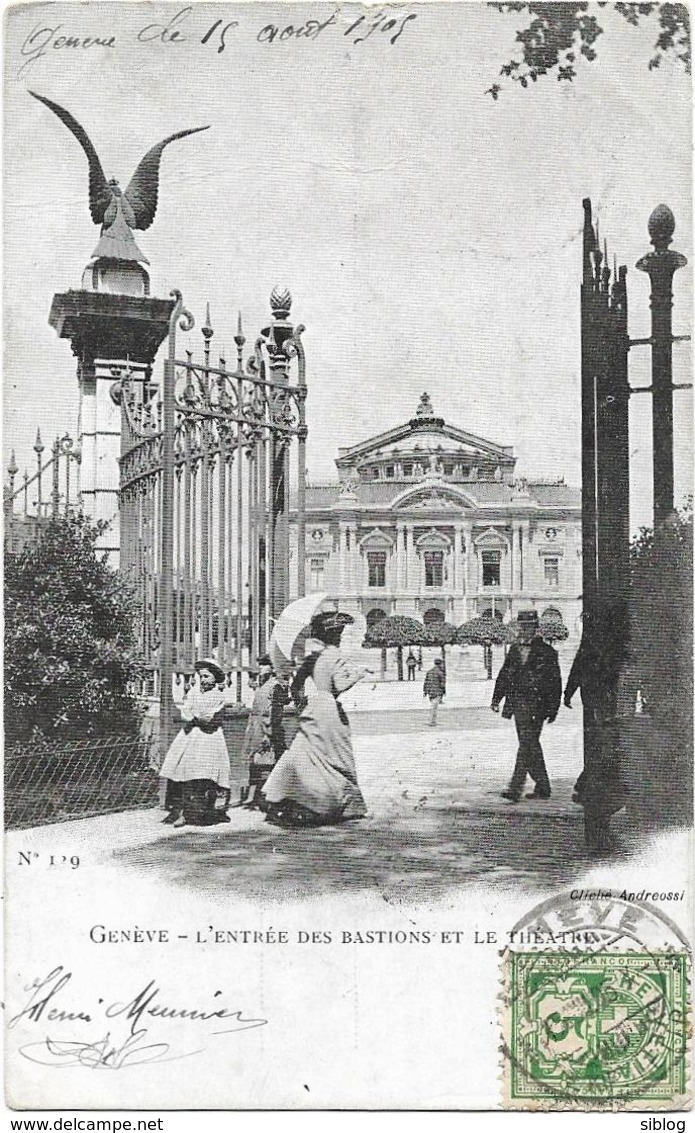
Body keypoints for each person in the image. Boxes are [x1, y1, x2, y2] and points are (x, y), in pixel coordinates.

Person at [262, 611, 368, 827]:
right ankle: (338, 804)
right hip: (328, 708)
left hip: (312, 707)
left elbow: (296, 687)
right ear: (336, 635)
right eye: (340, 633)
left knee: (305, 753)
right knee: (335, 756)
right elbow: (337, 687)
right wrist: (356, 676)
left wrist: (302, 702)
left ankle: (285, 798)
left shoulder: (312, 658)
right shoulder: (336, 656)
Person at [491, 610, 561, 802]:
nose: (525, 629)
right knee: (530, 745)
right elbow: (504, 674)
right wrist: (496, 699)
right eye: (523, 626)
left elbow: (555, 681)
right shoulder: (514, 649)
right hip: (518, 704)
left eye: (529, 626)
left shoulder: (547, 652)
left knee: (526, 744)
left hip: (537, 705)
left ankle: (515, 787)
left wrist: (553, 708)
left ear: (535, 627)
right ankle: (543, 786)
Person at [160, 658, 232, 827]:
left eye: (207, 676)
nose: (203, 679)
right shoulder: (193, 692)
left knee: (207, 775)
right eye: (201, 676)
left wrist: (197, 715)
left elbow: (209, 718)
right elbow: (187, 710)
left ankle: (208, 811)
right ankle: (184, 812)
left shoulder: (218, 696)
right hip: (192, 736)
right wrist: (191, 713)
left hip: (209, 738)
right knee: (186, 774)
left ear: (215, 678)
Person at [240, 654, 289, 809]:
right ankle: (261, 797)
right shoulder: (264, 684)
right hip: (257, 728)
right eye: (260, 664)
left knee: (268, 763)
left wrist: (269, 734)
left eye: (264, 664)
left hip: (268, 730)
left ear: (273, 667)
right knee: (258, 763)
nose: (260, 668)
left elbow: (276, 713)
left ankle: (270, 798)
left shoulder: (277, 686)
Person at [423, 658, 446, 725]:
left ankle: (431, 720)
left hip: (430, 691)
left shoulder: (429, 672)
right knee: (434, 707)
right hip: (437, 691)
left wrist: (425, 691)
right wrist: (443, 692)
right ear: (440, 664)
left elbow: (426, 682)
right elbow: (442, 684)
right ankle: (432, 721)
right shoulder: (440, 673)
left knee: (432, 706)